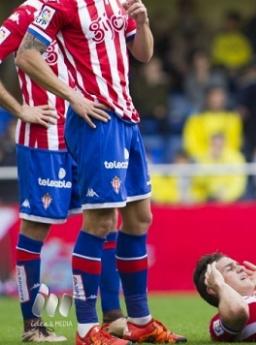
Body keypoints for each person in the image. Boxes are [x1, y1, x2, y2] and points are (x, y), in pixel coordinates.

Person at [15, 0, 185, 344]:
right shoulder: (61, 4)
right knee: (101, 223)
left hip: (127, 119)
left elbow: (144, 54)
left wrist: (143, 22)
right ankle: (86, 329)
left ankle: (140, 320)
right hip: (97, 122)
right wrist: (72, 96)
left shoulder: (119, 2)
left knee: (140, 217)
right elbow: (25, 55)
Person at [0, 1, 125, 342]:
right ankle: (33, 326)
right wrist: (20, 109)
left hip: (87, 134)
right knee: (36, 229)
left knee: (106, 219)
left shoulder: (84, 10)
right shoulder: (26, 14)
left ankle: (113, 318)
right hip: (45, 140)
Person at [193, 253, 256, 342]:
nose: (241, 268)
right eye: (230, 269)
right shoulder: (222, 319)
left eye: (237, 265)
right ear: (213, 285)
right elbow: (237, 311)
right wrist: (220, 285)